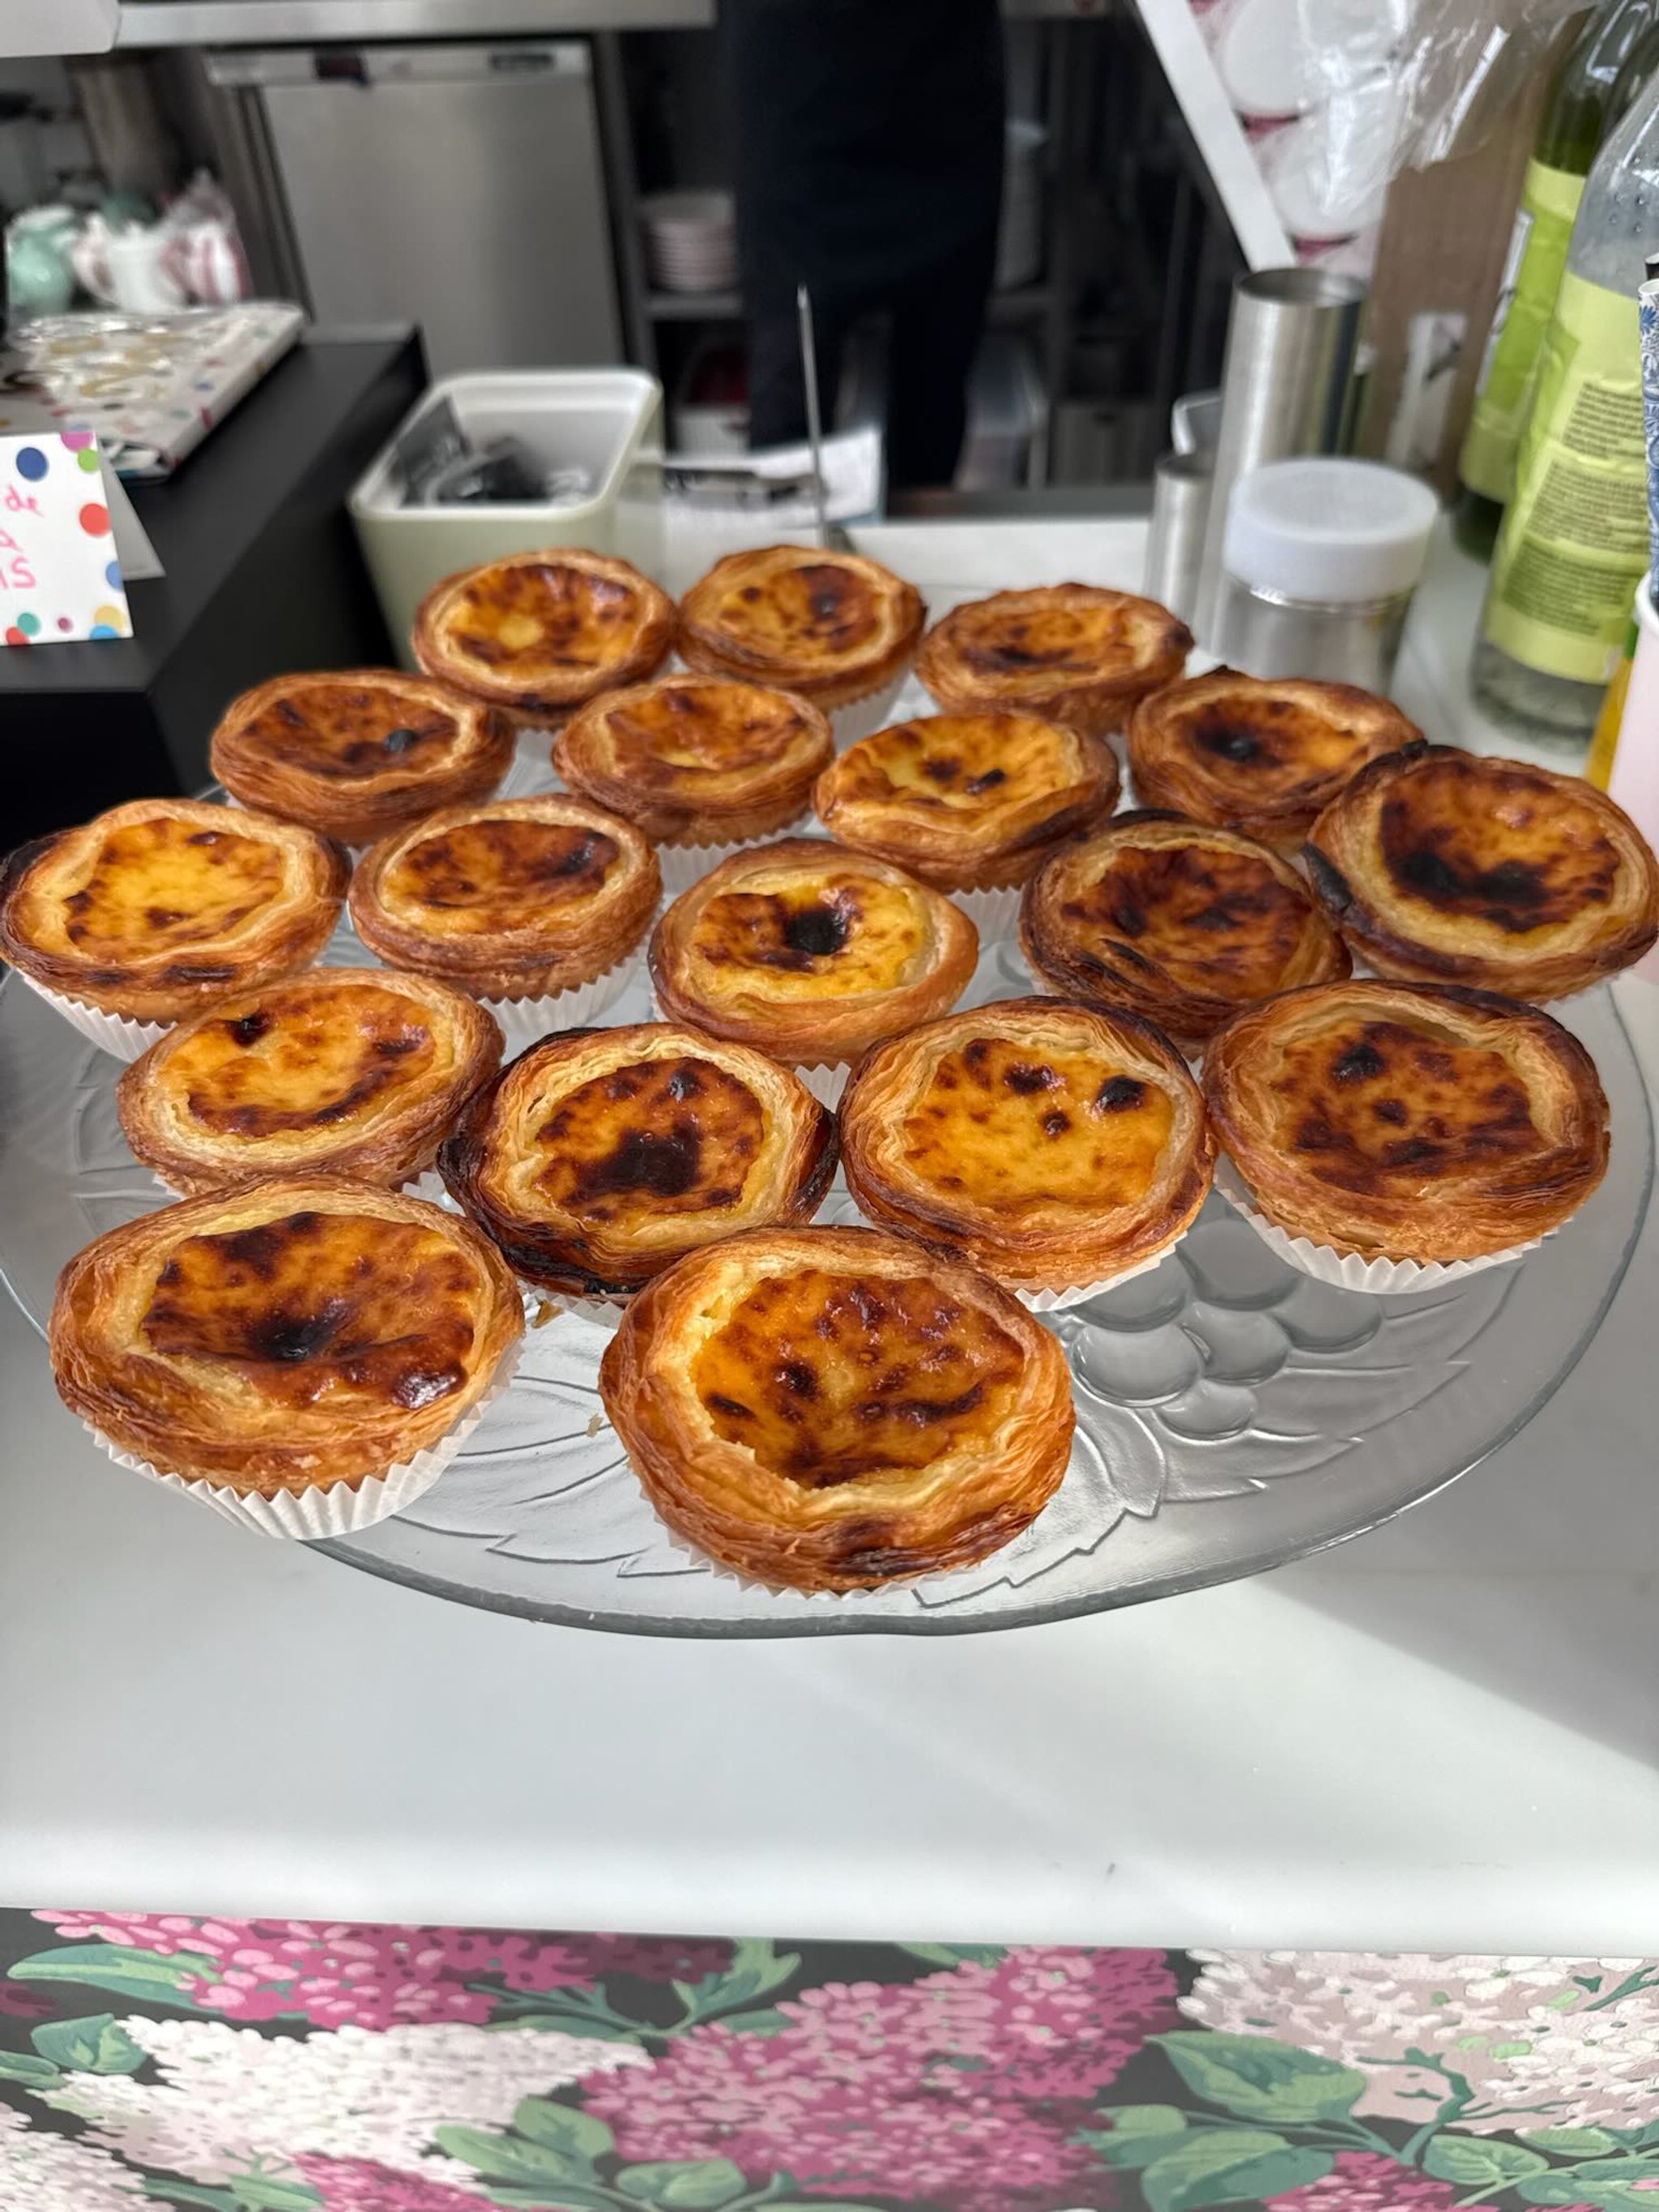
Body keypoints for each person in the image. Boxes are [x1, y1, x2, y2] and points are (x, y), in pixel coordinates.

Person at [723, 0, 1005, 492]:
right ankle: (779, 559)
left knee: (934, 400)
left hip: (943, 97)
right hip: (796, 93)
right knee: (789, 408)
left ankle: (924, 555)